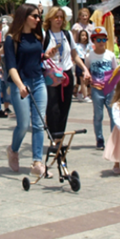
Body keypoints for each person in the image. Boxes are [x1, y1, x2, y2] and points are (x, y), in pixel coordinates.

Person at [4, 4, 50, 177]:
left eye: (39, 17)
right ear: (24, 17)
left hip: (38, 81)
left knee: (39, 124)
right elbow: (11, 66)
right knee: (23, 125)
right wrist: (20, 85)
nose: (38, 20)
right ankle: (13, 150)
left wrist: (46, 55)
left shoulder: (38, 36)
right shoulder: (12, 39)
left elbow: (35, 57)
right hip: (20, 83)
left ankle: (37, 162)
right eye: (35, 16)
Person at [43, 7, 90, 141]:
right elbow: (40, 56)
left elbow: (75, 55)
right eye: (56, 17)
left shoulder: (67, 34)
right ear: (50, 18)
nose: (59, 20)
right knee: (53, 109)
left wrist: (85, 69)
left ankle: (59, 138)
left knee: (64, 107)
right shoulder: (45, 35)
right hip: (51, 74)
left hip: (66, 73)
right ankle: (54, 138)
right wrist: (46, 55)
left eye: (61, 17)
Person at [86, 26, 118, 150]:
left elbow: (116, 70)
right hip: (96, 89)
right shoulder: (90, 56)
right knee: (98, 115)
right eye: (97, 40)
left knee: (113, 114)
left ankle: (114, 138)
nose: (101, 42)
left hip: (110, 89)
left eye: (103, 40)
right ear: (93, 41)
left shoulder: (110, 55)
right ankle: (99, 139)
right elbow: (87, 69)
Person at [74, 29, 92, 102]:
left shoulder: (89, 46)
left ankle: (81, 92)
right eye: (82, 35)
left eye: (85, 35)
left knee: (88, 80)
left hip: (87, 61)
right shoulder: (76, 45)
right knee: (82, 79)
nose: (84, 37)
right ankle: (85, 96)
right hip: (80, 61)